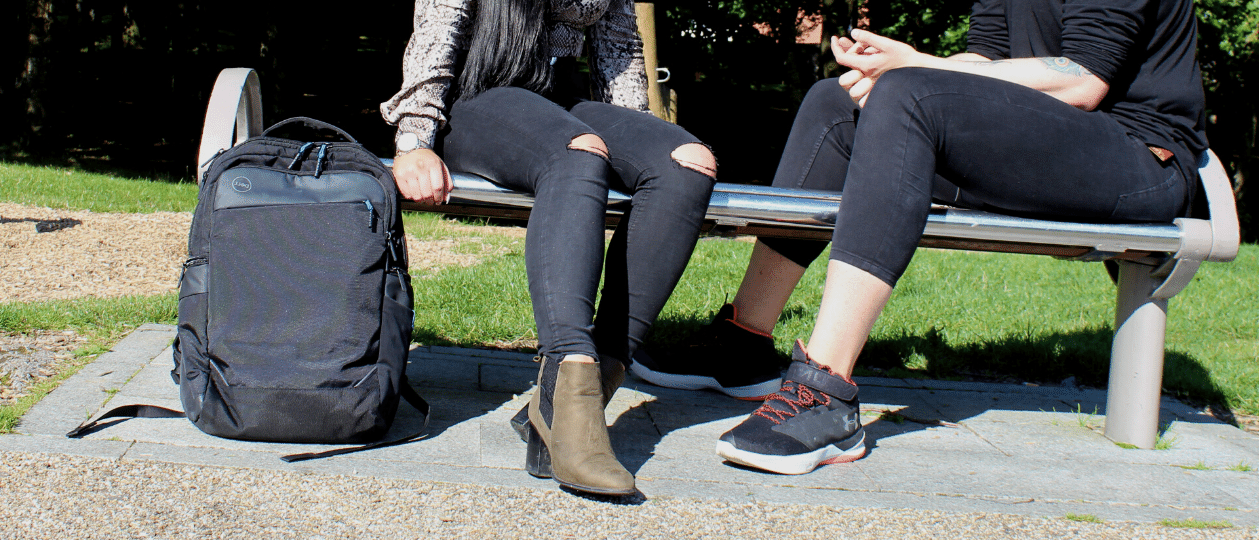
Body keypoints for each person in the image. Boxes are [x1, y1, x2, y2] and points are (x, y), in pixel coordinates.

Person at [631, 0, 1207, 475]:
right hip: (1047, 141)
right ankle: (744, 345)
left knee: (909, 93)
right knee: (836, 104)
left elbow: (1082, 80)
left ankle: (825, 393)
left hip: (1138, 158)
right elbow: (983, 58)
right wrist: (890, 64)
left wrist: (917, 67)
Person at [381, 0, 719, 495]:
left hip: (561, 103)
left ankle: (573, 399)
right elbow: (439, 28)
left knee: (688, 161)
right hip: (476, 98)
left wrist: (638, 139)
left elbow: (620, 50)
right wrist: (414, 138)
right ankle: (570, 370)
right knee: (578, 151)